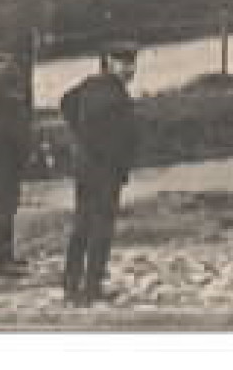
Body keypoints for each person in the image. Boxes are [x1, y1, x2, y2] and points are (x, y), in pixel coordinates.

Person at [59, 41, 140, 305]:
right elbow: (113, 136)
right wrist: (104, 153)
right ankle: (91, 287)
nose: (129, 69)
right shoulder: (112, 94)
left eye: (132, 63)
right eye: (123, 63)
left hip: (86, 167)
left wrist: (79, 136)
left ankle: (71, 285)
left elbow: (66, 102)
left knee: (82, 225)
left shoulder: (92, 84)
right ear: (108, 62)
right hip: (104, 170)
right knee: (100, 228)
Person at [0, 56, 34, 276]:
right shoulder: (9, 73)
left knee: (7, 202)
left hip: (5, 146)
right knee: (5, 203)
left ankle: (3, 254)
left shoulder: (6, 70)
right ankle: (0, 256)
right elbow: (15, 111)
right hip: (6, 147)